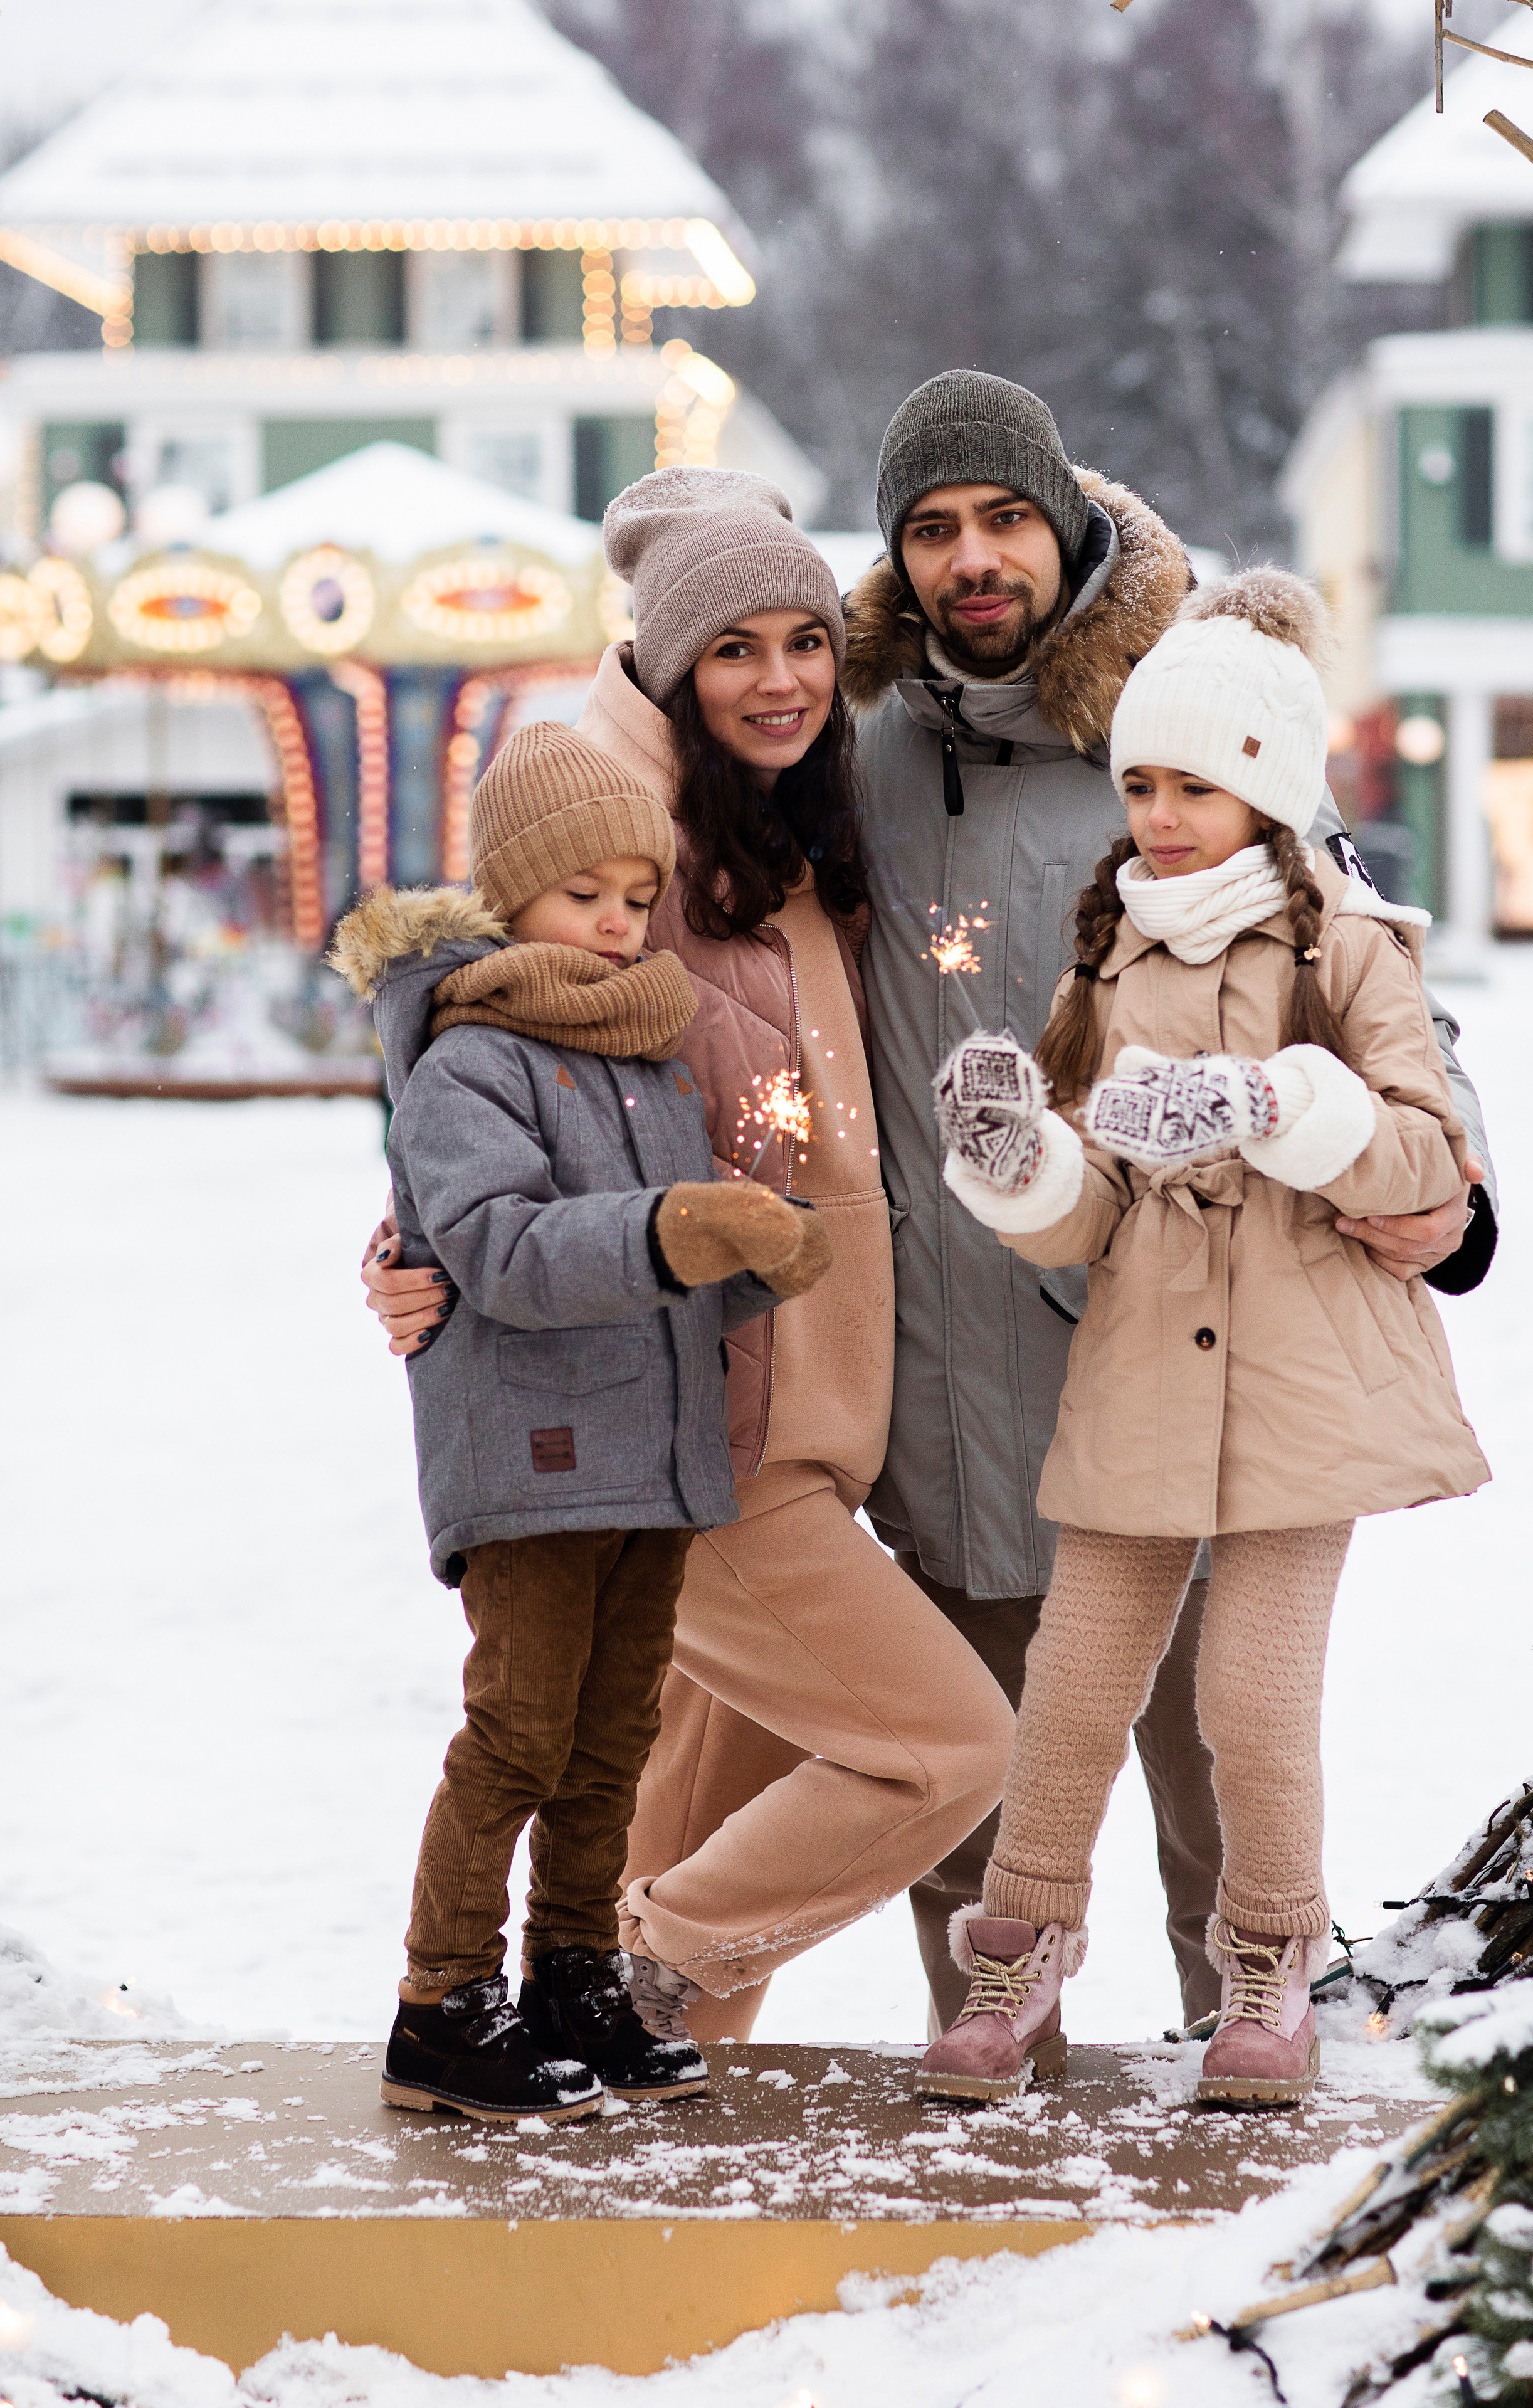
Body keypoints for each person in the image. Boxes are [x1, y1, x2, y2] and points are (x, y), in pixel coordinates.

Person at [840, 369, 1498, 2036]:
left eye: (1003, 519)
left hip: (1190, 1352)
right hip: (946, 1364)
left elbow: (1374, 982)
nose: (971, 559)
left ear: (1063, 524)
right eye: (932, 529)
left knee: (1226, 1755)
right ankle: (1001, 2101)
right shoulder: (857, 753)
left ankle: (1250, 2060)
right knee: (989, 1792)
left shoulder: (1201, 720)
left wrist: (1455, 1190)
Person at [364, 470, 1016, 2048]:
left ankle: (624, 2047)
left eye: (805, 641)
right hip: (691, 1431)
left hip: (811, 1420)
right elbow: (479, 1069)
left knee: (687, 1826)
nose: (779, 679)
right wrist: (407, 1241)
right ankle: (621, 1972)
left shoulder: (786, 824)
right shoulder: (617, 854)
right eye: (733, 649)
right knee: (942, 1748)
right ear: (667, 666)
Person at [329, 723, 833, 2121]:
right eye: (583, 895)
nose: (617, 922)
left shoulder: (650, 1057)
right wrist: (678, 1227)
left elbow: (664, 1278)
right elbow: (504, 1252)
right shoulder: (468, 1065)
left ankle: (572, 1973)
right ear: (511, 897)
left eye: (635, 896)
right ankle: (441, 2001)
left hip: (651, 1464)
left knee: (613, 1748)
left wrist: (756, 1255)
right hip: (533, 1461)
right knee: (517, 1735)